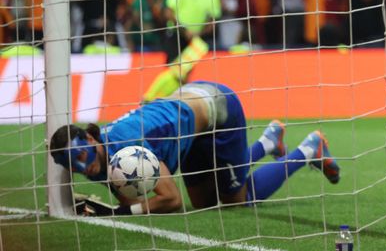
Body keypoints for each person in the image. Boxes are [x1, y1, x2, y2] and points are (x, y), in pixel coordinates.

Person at [50, 81, 340, 215]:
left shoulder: (127, 147)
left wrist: (114, 213)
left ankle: (308, 149)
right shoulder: (98, 155)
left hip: (219, 110)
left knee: (237, 202)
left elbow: (171, 200)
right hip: (189, 118)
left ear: (90, 140)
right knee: (204, 204)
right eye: (73, 166)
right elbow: (135, 199)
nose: (82, 168)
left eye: (81, 157)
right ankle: (268, 142)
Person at [143, 0, 222, 101]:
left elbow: (212, 21)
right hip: (176, 34)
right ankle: (150, 97)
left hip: (195, 39)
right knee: (173, 70)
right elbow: (168, 11)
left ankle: (176, 100)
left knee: (185, 72)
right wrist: (184, 29)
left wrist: (198, 34)